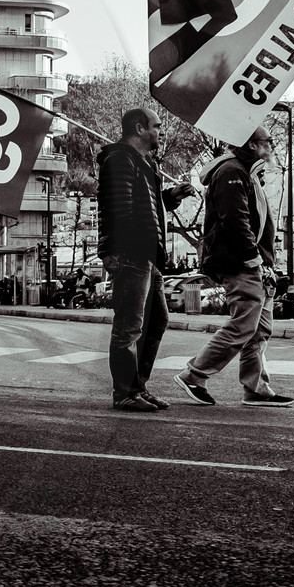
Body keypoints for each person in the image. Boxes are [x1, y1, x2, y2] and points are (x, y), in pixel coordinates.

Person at [173, 127, 293, 407]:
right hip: (241, 262)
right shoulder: (232, 172)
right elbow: (236, 221)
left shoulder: (247, 173)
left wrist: (266, 263)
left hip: (256, 262)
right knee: (243, 325)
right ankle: (194, 375)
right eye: (269, 142)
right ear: (252, 144)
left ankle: (256, 388)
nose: (272, 146)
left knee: (260, 328)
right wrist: (254, 260)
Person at [97, 106, 196, 412]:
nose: (161, 131)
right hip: (131, 253)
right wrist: (114, 253)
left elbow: (146, 205)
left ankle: (138, 387)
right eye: (157, 125)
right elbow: (119, 209)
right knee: (129, 327)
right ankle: (125, 392)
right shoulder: (121, 159)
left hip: (146, 255)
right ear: (139, 128)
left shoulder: (142, 162)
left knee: (156, 322)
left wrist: (170, 196)